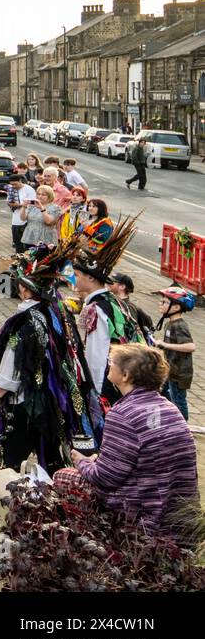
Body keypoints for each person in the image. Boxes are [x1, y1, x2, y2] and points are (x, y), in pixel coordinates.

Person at [59, 344, 198, 538]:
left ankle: (87, 537)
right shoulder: (170, 408)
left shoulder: (123, 414)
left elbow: (105, 478)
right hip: (179, 516)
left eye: (111, 363)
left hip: (144, 515)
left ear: (125, 376)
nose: (109, 366)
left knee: (62, 476)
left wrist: (82, 461)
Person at [0, 239, 97, 474]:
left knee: (10, 463)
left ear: (26, 289)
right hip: (55, 403)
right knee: (53, 459)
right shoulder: (58, 311)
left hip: (26, 403)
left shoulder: (23, 322)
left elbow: (11, 366)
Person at [72, 216, 150, 422]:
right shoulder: (113, 301)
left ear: (90, 278)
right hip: (130, 378)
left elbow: (96, 357)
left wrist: (93, 394)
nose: (74, 280)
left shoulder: (95, 309)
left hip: (112, 384)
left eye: (77, 275)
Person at [155, 287, 195, 420]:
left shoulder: (179, 325)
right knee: (164, 394)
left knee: (178, 401)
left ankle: (183, 426)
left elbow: (190, 346)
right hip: (170, 369)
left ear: (176, 307)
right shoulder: (170, 323)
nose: (160, 304)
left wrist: (165, 345)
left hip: (179, 373)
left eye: (165, 302)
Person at [21, 184, 61, 248]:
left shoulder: (55, 208)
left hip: (47, 240)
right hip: (30, 238)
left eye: (43, 195)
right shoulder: (32, 206)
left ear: (49, 196)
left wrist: (42, 208)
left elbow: (49, 221)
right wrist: (23, 207)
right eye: (38, 194)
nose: (40, 196)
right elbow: (23, 218)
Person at [6, 172, 36, 253]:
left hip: (27, 221)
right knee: (17, 244)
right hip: (15, 221)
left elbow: (34, 203)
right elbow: (9, 202)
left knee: (26, 245)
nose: (14, 186)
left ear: (20, 181)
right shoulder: (11, 189)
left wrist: (21, 205)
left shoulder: (29, 189)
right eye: (12, 184)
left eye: (15, 184)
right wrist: (14, 204)